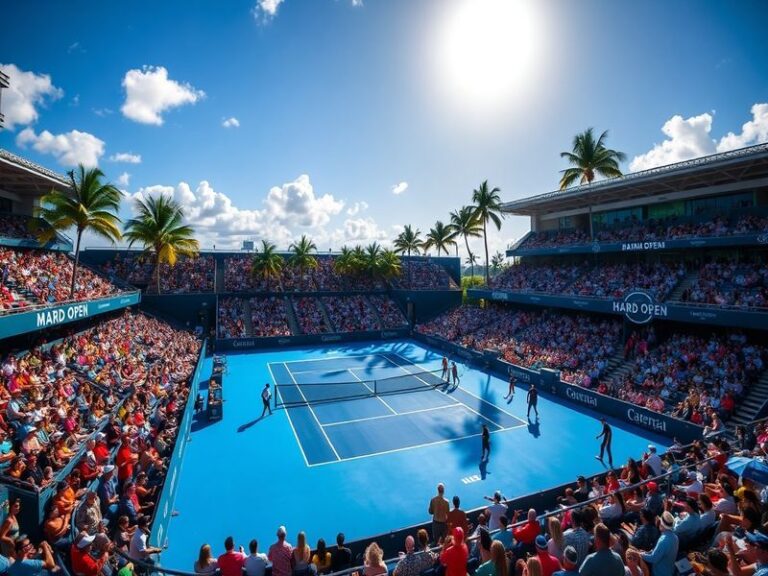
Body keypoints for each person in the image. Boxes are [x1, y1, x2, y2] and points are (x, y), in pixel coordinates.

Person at [640, 511, 678, 576]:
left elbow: (653, 559)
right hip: (670, 570)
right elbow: (660, 551)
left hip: (660, 573)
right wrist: (647, 552)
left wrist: (640, 554)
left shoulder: (663, 540)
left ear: (661, 524)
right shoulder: (675, 536)